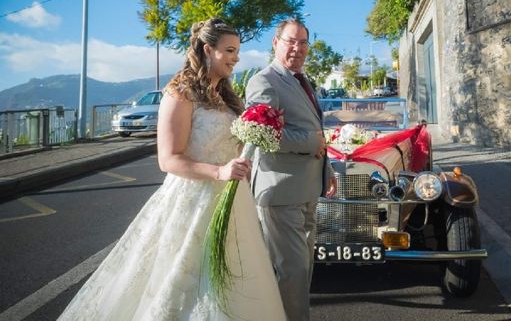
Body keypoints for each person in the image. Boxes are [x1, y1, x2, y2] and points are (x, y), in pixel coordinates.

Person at [59, 18, 286, 320]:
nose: (236, 57)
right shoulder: (180, 92)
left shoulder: (229, 97)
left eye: (238, 51)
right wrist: (218, 172)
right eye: (229, 50)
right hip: (193, 200)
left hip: (233, 201)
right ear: (208, 49)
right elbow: (168, 159)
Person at [245, 18, 337, 321]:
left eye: (302, 43)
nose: (297, 48)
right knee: (293, 273)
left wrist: (329, 170)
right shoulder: (264, 81)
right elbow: (259, 133)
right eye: (290, 41)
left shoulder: (302, 79)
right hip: (280, 192)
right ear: (275, 42)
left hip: (309, 189)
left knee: (304, 270)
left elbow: (315, 130)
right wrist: (310, 142)